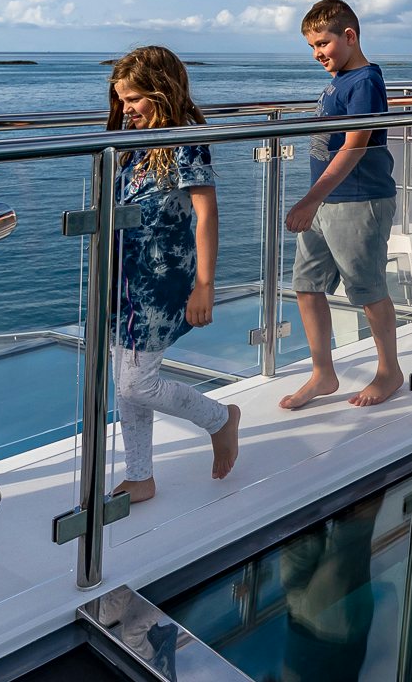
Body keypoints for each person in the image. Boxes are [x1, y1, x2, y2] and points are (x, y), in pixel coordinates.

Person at [106, 46, 241, 505]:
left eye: (135, 99)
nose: (126, 109)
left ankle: (220, 419)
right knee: (125, 378)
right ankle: (140, 475)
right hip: (125, 275)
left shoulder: (185, 141)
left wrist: (204, 284)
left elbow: (207, 214)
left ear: (163, 93)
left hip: (161, 280)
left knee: (136, 382)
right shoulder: (136, 142)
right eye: (122, 100)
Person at [281, 0, 404, 410]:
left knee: (368, 290)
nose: (318, 54)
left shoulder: (364, 81)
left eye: (323, 43)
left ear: (349, 36)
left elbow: (354, 147)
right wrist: (315, 201)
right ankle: (323, 373)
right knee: (306, 286)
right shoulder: (341, 79)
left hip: (358, 200)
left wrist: (308, 200)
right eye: (312, 47)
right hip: (326, 201)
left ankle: (389, 371)